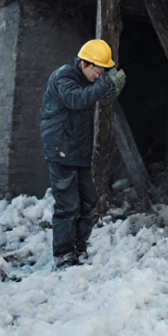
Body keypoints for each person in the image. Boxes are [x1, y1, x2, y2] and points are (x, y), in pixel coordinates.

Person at [40, 38, 126, 269]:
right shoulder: (64, 78)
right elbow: (77, 99)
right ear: (84, 63)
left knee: (88, 203)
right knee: (67, 205)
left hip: (77, 151)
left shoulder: (87, 81)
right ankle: (64, 255)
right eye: (96, 69)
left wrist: (110, 88)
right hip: (61, 151)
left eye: (102, 70)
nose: (99, 74)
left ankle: (79, 249)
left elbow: (95, 96)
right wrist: (104, 84)